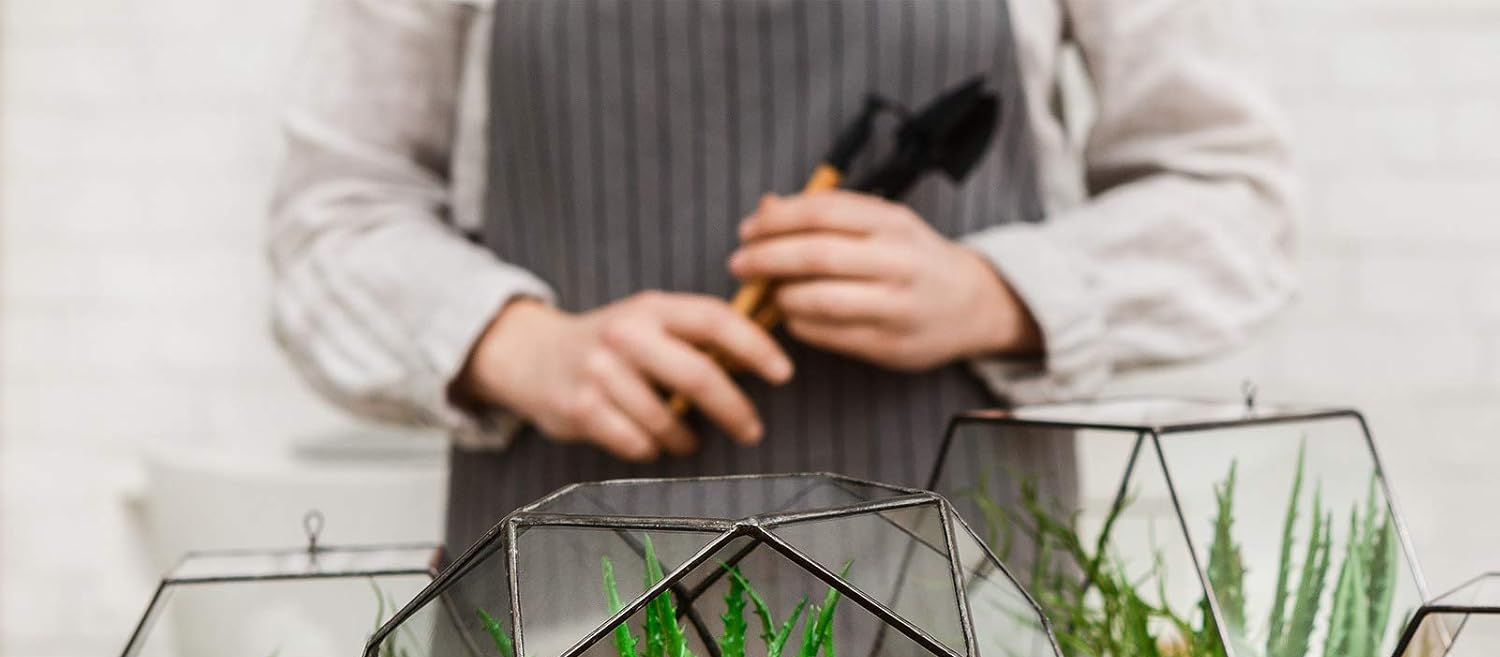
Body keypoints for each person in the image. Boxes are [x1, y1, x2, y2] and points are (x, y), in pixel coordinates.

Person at [269, 0, 1295, 554]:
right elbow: (332, 217)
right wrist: (513, 344)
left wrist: (997, 295)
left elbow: (1235, 200)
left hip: (961, 639)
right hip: (558, 641)